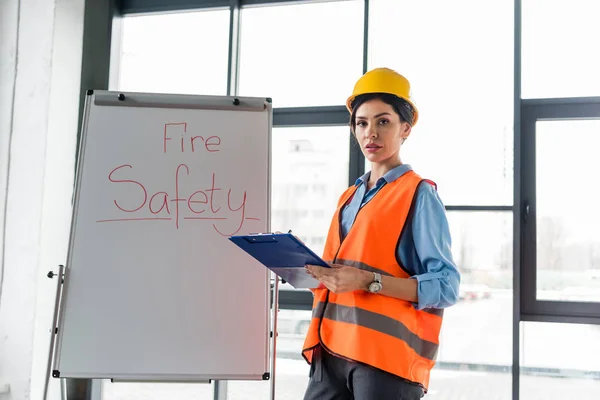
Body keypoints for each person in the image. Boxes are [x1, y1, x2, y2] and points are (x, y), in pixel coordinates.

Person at [302, 67, 461, 400]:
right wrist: (303, 268)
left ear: (406, 128)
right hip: (330, 350)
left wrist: (366, 281)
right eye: (361, 123)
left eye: (383, 121)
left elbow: (446, 286)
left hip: (384, 362)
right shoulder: (348, 197)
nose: (370, 133)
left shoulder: (418, 194)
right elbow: (341, 273)